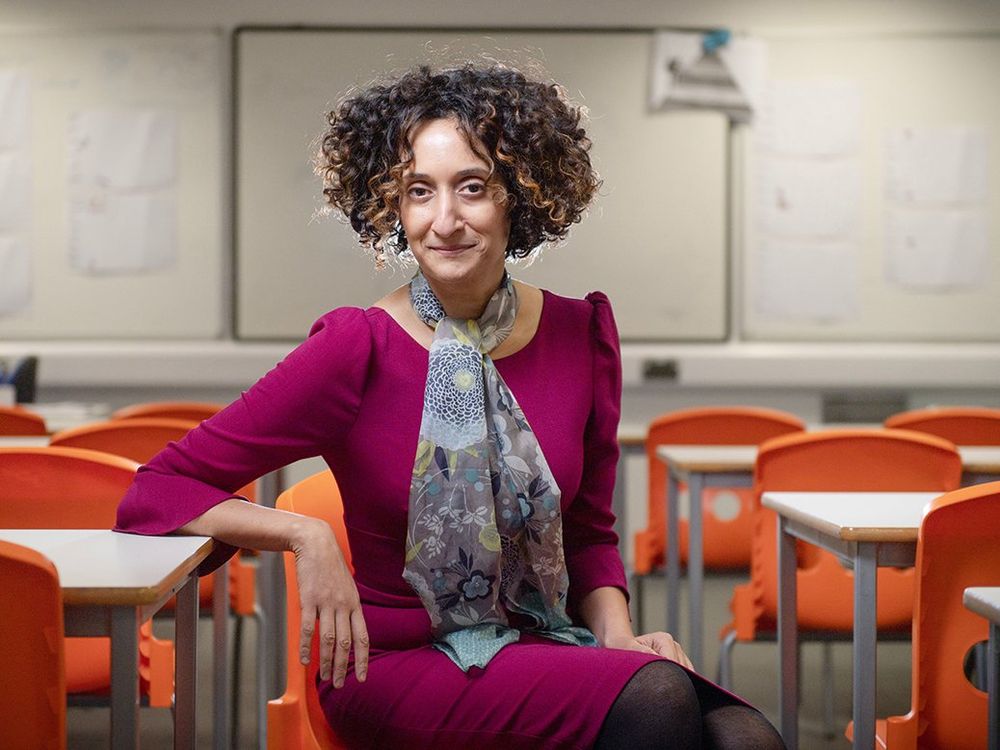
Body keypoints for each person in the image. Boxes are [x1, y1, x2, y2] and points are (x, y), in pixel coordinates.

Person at [117, 63, 784, 750]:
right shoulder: (356, 346)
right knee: (656, 703)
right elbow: (157, 490)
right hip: (394, 664)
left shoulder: (578, 333)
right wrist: (301, 536)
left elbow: (586, 530)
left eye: (472, 188)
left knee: (744, 739)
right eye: (418, 192)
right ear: (392, 209)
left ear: (519, 197)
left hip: (543, 641)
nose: (445, 220)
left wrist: (617, 636)